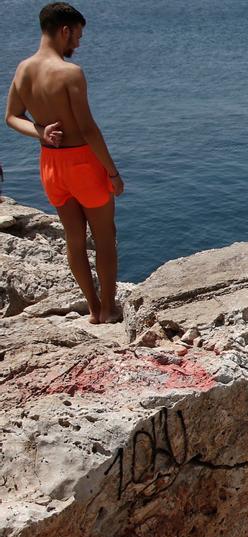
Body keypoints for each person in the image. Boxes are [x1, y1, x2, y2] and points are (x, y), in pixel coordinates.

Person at [6, 3, 124, 324]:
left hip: (50, 166)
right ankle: (108, 310)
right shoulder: (70, 73)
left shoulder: (23, 69)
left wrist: (40, 132)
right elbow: (87, 127)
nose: (78, 44)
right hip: (83, 163)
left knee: (74, 238)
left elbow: (11, 118)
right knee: (104, 237)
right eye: (78, 36)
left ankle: (92, 307)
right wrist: (112, 172)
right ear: (65, 31)